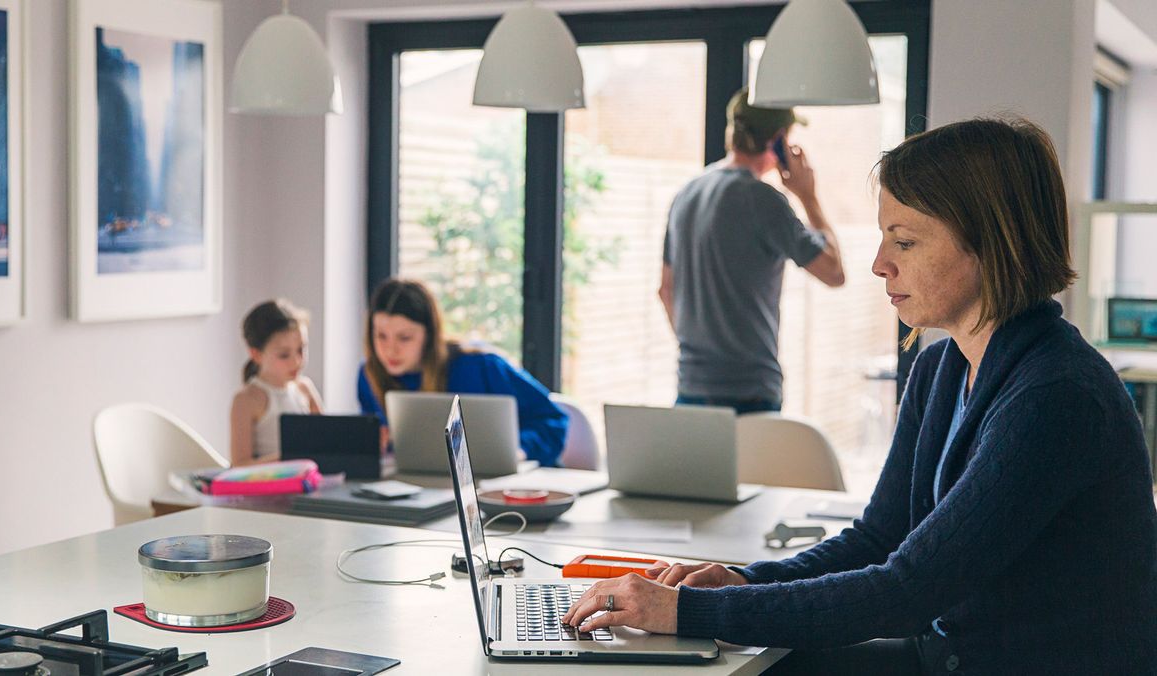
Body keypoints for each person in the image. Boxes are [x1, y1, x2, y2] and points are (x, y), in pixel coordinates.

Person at [565, 117, 1157, 674]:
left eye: (904, 242)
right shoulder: (941, 369)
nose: (878, 265)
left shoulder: (1057, 396)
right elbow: (880, 537)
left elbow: (908, 589)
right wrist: (746, 583)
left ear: (990, 242)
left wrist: (688, 612)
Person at [659, 88, 845, 415]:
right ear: (778, 141)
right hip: (750, 394)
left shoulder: (686, 194)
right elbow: (833, 272)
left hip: (689, 388)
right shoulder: (763, 200)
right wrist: (808, 196)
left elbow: (665, 291)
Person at [357, 278, 569, 467]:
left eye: (404, 338)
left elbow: (554, 421)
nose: (390, 349)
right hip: (423, 487)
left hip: (504, 487)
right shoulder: (369, 376)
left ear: (430, 336)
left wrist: (520, 450)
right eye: (381, 336)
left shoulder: (481, 366)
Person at [230, 299, 323, 467]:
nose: (297, 361)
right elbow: (239, 465)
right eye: (284, 355)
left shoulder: (305, 389)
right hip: (267, 488)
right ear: (256, 355)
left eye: (302, 349)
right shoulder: (247, 400)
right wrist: (289, 458)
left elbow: (327, 440)